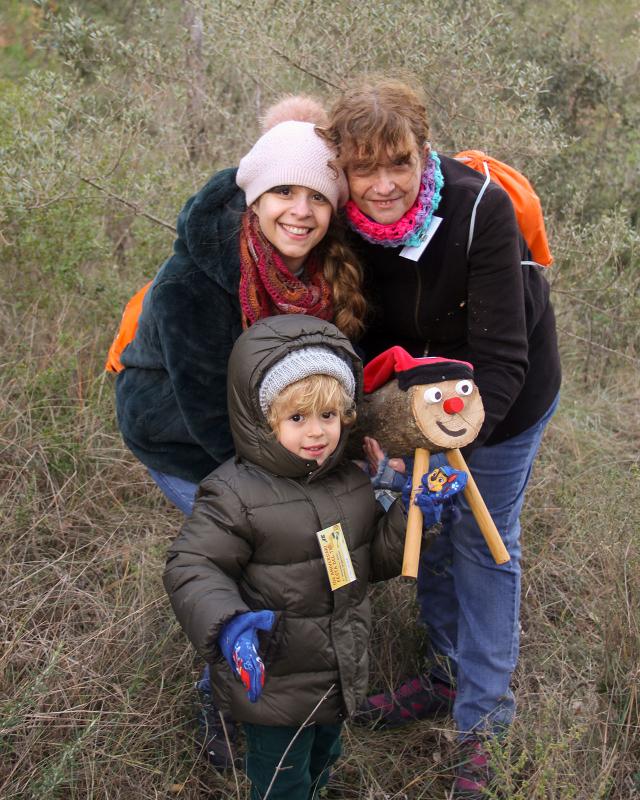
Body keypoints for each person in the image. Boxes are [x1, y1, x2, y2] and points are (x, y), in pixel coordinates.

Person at [319, 76, 562, 798]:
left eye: (401, 163)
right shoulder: (334, 216)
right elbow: (361, 331)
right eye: (366, 168)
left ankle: (485, 724)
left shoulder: (480, 208)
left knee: (485, 541)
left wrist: (457, 450)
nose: (385, 185)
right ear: (343, 168)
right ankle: (446, 673)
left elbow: (505, 358)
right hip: (409, 401)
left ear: (424, 152)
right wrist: (391, 437)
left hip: (502, 396)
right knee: (425, 526)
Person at [114, 96, 364, 766]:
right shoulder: (194, 278)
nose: (300, 211)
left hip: (277, 430)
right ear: (253, 197)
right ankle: (223, 698)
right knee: (261, 560)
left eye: (316, 196)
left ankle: (309, 682)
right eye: (283, 191)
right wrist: (288, 499)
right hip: (182, 433)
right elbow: (204, 406)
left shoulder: (324, 265)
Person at [162, 314, 410, 800]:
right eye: (296, 418)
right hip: (274, 681)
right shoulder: (234, 492)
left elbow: (373, 562)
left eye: (328, 416)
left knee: (323, 762)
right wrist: (229, 624)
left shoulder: (351, 482)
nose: (316, 433)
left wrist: (412, 511)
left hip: (339, 672)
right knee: (281, 782)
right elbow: (192, 565)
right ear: (261, 419)